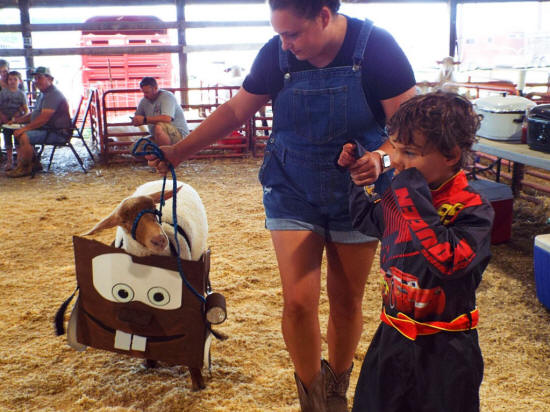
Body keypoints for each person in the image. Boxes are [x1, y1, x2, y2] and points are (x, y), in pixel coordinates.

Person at [148, 1, 416, 410]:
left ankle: (336, 393)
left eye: (293, 33)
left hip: (357, 192)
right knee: (298, 302)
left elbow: (407, 130)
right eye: (280, 34)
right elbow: (236, 110)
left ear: (323, 15)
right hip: (292, 186)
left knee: (346, 300)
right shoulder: (276, 55)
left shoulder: (378, 48)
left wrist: (380, 157)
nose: (286, 44)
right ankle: (312, 400)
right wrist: (179, 152)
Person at [337, 91, 494, 412]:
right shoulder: (402, 198)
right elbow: (368, 219)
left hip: (445, 350)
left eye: (409, 152)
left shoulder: (474, 209)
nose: (396, 161)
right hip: (391, 336)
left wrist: (410, 194)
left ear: (451, 154)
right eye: (395, 148)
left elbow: (449, 262)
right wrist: (358, 178)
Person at [7, 66, 71, 178]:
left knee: (24, 135)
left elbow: (43, 119)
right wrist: (17, 120)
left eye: (39, 78)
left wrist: (23, 129)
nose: (36, 81)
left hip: (58, 133)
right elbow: (35, 114)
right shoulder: (43, 93)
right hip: (49, 129)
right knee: (21, 132)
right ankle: (34, 164)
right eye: (35, 78)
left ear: (50, 79)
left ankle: (25, 168)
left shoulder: (53, 94)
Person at [132, 77, 189, 150]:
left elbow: (167, 118)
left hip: (179, 136)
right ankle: (157, 154)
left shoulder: (167, 96)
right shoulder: (144, 101)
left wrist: (144, 119)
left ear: (155, 88)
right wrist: (136, 120)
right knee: (135, 148)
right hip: (157, 136)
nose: (144, 95)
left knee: (159, 127)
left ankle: (165, 155)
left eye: (147, 92)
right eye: (143, 92)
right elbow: (138, 117)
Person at [0, 71, 29, 171]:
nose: (12, 82)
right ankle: (9, 161)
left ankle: (19, 161)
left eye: (15, 79)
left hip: (17, 122)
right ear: (7, 81)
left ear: (19, 81)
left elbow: (26, 110)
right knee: (7, 141)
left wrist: (19, 117)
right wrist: (2, 116)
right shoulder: (3, 93)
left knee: (18, 141)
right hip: (5, 121)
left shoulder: (21, 94)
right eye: (10, 79)